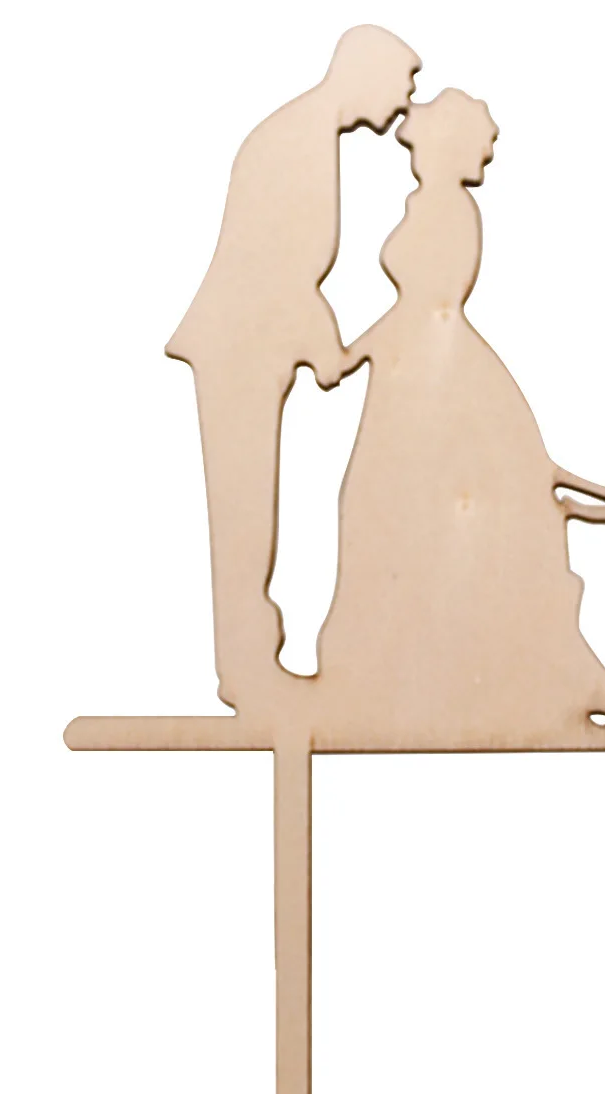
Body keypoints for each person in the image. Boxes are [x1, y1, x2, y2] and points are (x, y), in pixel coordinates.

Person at [317, 89, 605, 738]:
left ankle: (450, 670)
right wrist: (354, 354)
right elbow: (416, 311)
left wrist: (352, 353)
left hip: (432, 375)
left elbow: (430, 306)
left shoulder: (447, 209)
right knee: (392, 511)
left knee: (395, 507)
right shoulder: (428, 204)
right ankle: (401, 671)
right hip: (414, 370)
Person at [167, 26, 421, 714]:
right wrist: (327, 348)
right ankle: (245, 667)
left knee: (251, 506)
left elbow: (288, 275)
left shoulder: (309, 137)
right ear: (367, 72)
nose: (404, 102)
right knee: (244, 509)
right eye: (402, 83)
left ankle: (251, 658)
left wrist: (322, 344)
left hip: (258, 345)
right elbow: (274, 270)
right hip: (239, 349)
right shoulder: (294, 141)